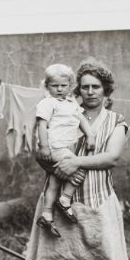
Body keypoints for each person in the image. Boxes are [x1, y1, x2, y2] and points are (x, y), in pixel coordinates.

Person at [23, 58, 130, 260]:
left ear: (106, 90)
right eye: (84, 87)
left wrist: (75, 162)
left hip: (97, 200)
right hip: (62, 199)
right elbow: (40, 149)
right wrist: (49, 161)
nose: (90, 92)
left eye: (96, 86)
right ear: (77, 89)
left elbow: (111, 157)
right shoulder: (60, 110)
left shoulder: (116, 121)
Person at [35, 64, 96, 238]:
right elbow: (42, 125)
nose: (60, 89)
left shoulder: (71, 103)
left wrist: (90, 135)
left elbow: (81, 118)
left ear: (70, 86)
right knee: (81, 166)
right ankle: (65, 199)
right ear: (47, 86)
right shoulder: (47, 103)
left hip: (67, 146)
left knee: (54, 181)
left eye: (64, 85)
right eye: (55, 86)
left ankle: (47, 214)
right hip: (55, 146)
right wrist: (44, 146)